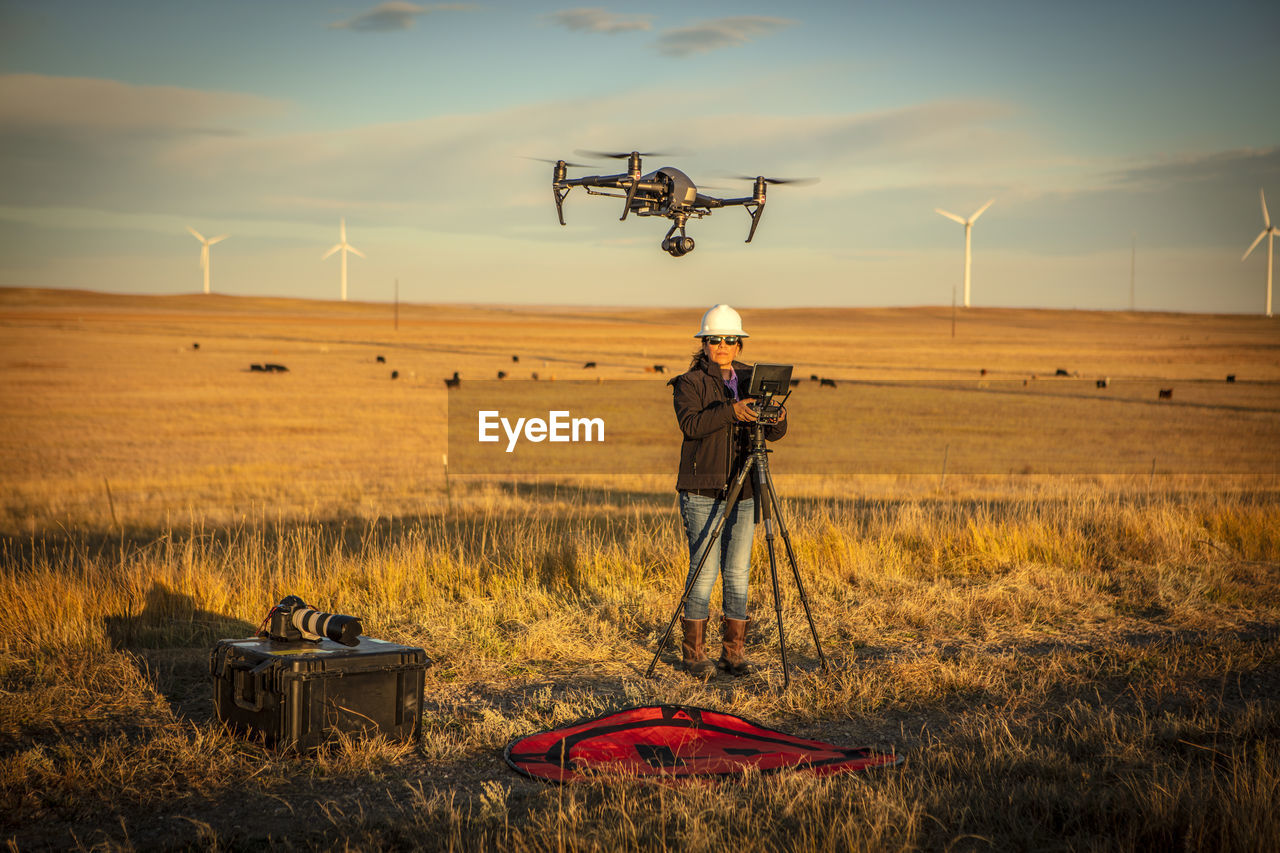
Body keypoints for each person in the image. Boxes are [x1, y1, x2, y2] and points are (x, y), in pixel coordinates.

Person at [669, 304, 787, 679]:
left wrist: (778, 419)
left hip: (747, 487)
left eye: (729, 340)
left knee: (737, 572)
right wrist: (732, 412)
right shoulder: (689, 383)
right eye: (714, 339)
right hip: (703, 489)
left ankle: (733, 654)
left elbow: (772, 432)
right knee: (703, 571)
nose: (721, 345)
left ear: (739, 345)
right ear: (704, 344)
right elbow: (691, 425)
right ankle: (694, 655)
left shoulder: (755, 378)